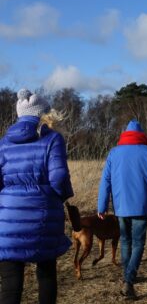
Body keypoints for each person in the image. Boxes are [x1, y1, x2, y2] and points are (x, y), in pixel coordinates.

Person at [0, 89, 74, 304]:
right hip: (43, 216)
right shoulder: (52, 138)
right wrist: (62, 197)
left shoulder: (4, 143)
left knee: (10, 281)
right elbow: (59, 177)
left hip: (8, 220)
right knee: (46, 274)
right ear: (44, 114)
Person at [97, 119, 147, 299]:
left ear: (125, 135)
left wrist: (102, 206)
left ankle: (127, 276)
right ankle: (129, 279)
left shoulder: (114, 153)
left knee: (126, 241)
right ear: (141, 135)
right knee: (138, 242)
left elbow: (105, 181)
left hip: (121, 205)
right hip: (142, 205)